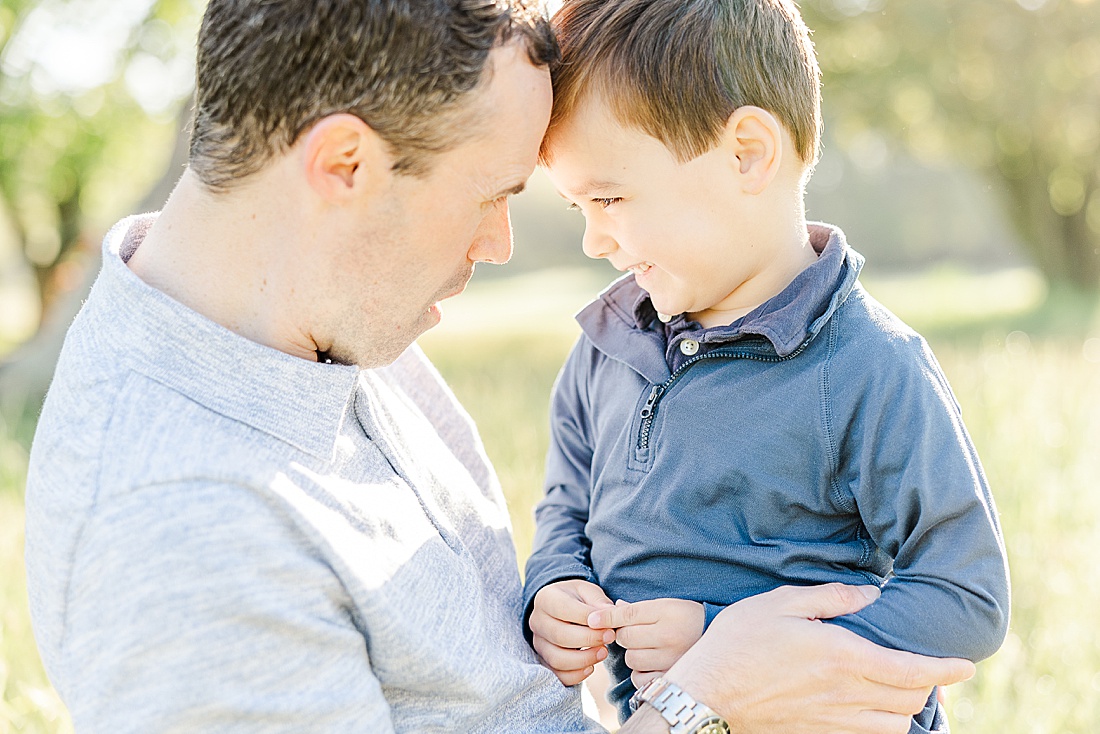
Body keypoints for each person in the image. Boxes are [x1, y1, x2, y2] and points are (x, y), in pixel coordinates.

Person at [23, 0, 976, 732]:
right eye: (493, 192)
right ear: (344, 166)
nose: (505, 243)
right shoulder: (179, 540)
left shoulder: (318, 313)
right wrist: (708, 701)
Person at [523, 0, 1011, 731]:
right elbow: (566, 507)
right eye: (577, 208)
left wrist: (724, 640)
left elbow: (967, 596)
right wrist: (554, 585)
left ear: (747, 153)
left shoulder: (870, 366)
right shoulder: (604, 348)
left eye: (611, 197)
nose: (595, 238)